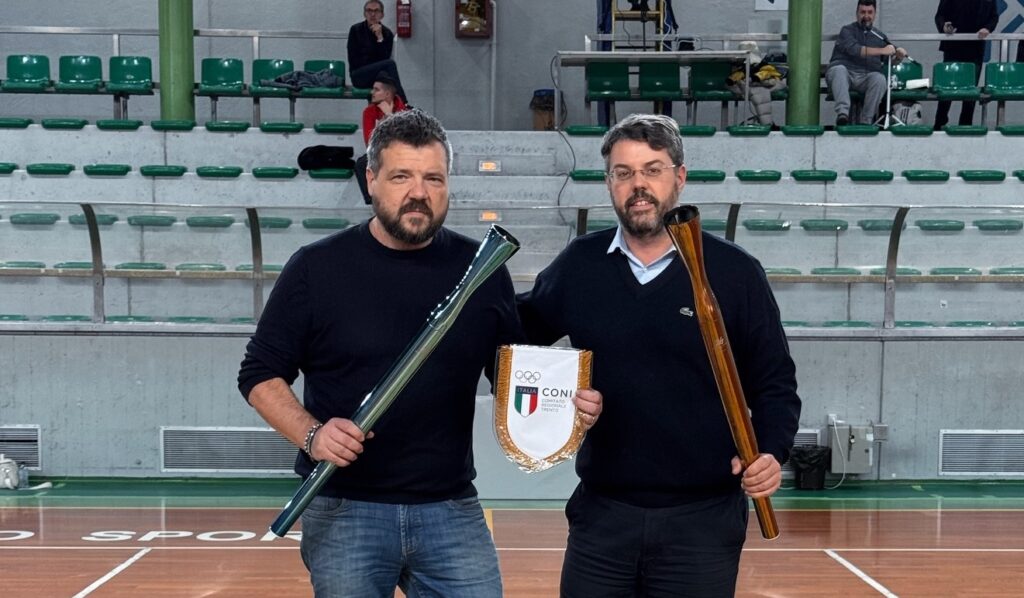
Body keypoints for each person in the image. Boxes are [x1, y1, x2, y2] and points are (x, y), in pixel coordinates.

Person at [238, 109, 604, 597]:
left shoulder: (482, 270)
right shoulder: (316, 268)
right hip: (346, 507)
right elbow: (259, 373)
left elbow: (512, 381)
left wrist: (567, 407)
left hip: (449, 507)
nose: (419, 192)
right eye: (401, 177)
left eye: (433, 178)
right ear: (371, 180)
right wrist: (312, 435)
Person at [517, 113, 801, 597]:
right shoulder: (580, 266)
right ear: (609, 183)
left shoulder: (734, 273)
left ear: (680, 176)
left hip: (703, 523)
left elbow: (774, 383)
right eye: (623, 173)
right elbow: (517, 347)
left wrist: (772, 450)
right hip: (602, 518)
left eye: (652, 170)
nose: (638, 185)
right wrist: (562, 398)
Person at [825, 0, 908, 126]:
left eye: (870, 12)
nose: (866, 16)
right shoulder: (846, 31)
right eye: (862, 12)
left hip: (865, 77)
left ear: (875, 14)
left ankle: (866, 121)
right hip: (845, 74)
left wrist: (898, 57)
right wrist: (883, 50)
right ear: (856, 13)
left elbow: (889, 61)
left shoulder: (879, 36)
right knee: (838, 70)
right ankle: (842, 114)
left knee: (879, 79)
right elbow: (856, 50)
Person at [933, 0, 999, 129]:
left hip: (975, 49)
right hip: (952, 47)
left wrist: (987, 28)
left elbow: (994, 17)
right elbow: (939, 15)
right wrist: (944, 26)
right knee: (946, 89)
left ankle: (965, 126)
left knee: (970, 92)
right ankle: (939, 124)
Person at [355, 71, 408, 204]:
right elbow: (369, 142)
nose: (372, 92)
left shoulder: (405, 111)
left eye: (376, 90)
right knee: (362, 164)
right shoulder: (369, 112)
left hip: (402, 153)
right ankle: (373, 202)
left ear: (387, 94)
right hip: (380, 152)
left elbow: (404, 140)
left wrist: (390, 116)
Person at [348, 0, 408, 103]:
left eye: (376, 11)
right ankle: (404, 104)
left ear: (382, 15)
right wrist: (373, 65)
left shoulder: (387, 33)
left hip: (379, 76)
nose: (372, 14)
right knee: (390, 65)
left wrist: (380, 38)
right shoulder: (355, 30)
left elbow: (384, 58)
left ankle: (395, 108)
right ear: (364, 14)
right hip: (359, 75)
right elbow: (354, 60)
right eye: (369, 11)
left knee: (387, 76)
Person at [727, 40, 786, 126]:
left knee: (760, 94)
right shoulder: (741, 68)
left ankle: (767, 123)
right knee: (760, 95)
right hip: (756, 84)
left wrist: (755, 79)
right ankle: (767, 124)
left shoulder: (760, 66)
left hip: (757, 84)